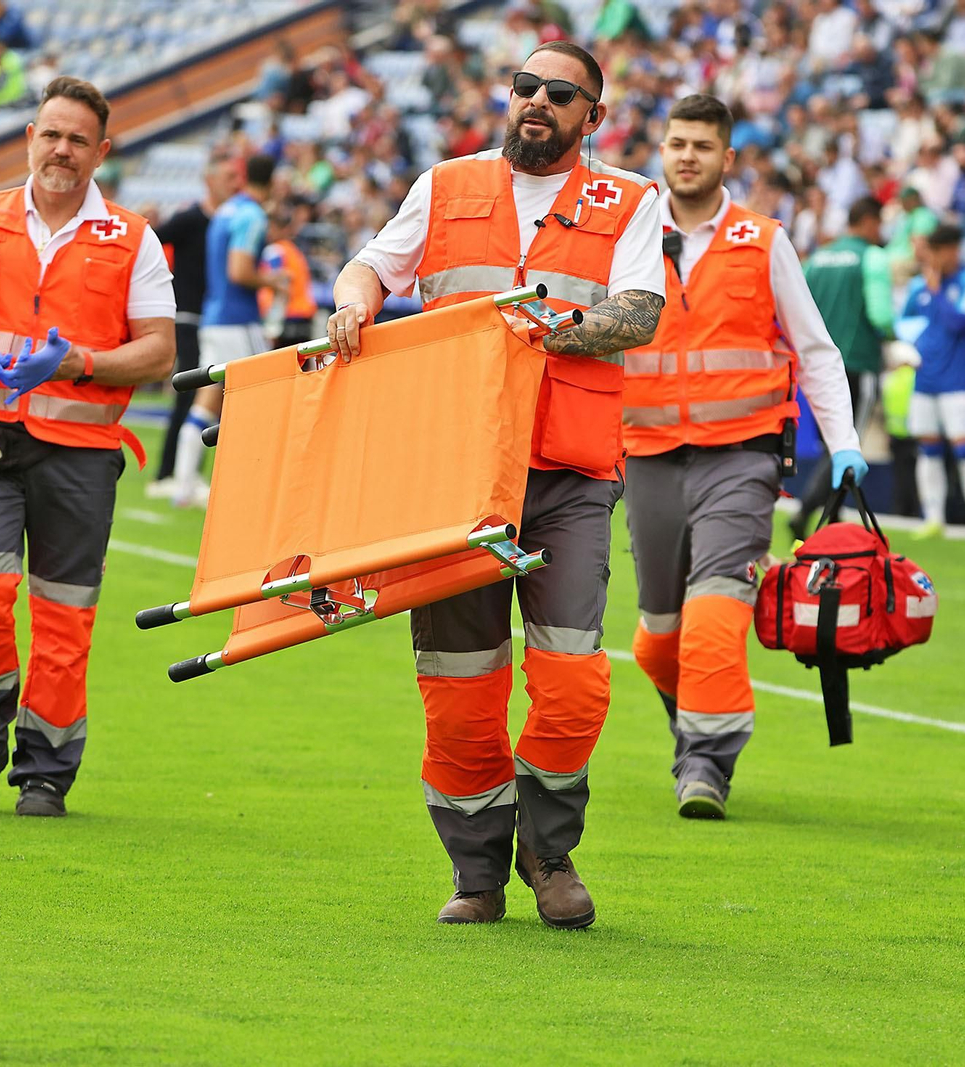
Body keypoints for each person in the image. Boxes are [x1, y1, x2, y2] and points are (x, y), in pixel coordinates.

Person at [328, 41, 663, 928]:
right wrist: (354, 298)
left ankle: (548, 853)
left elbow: (640, 311)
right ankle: (477, 874)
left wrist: (542, 330)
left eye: (560, 93)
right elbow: (372, 263)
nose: (536, 103)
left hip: (568, 476)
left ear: (593, 116)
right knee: (460, 685)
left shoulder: (630, 198)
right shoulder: (443, 186)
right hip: (454, 474)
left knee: (573, 682)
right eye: (524, 87)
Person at [0, 77, 175, 817]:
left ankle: (47, 770)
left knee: (64, 615)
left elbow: (157, 353)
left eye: (78, 139)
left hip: (82, 454)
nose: (62, 149)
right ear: (29, 138)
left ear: (102, 152)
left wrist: (78, 362)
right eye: (51, 134)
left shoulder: (133, 238)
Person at [622, 94, 863, 821]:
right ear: (661, 153)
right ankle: (691, 720)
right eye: (675, 143)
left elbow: (816, 351)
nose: (686, 155)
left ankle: (706, 763)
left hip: (744, 458)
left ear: (728, 159)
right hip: (647, 455)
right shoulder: (626, 241)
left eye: (701, 144)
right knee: (656, 640)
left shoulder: (764, 240)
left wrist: (846, 446)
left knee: (715, 614)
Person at [171, 153, 285, 507]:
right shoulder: (252, 215)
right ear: (271, 181)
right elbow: (239, 270)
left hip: (214, 316)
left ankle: (184, 485)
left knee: (207, 400)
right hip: (239, 319)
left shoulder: (225, 210)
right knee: (261, 400)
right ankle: (248, 486)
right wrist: (274, 282)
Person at [792, 194, 890, 539]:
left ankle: (833, 520)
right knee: (847, 444)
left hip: (817, 367)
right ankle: (805, 511)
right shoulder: (872, 257)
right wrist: (894, 338)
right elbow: (881, 315)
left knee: (828, 445)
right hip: (857, 360)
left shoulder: (819, 258)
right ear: (869, 222)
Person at [898, 223, 965, 541]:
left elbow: (959, 322)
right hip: (925, 379)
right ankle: (933, 517)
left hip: (957, 382)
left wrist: (937, 291)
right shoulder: (917, 286)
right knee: (928, 449)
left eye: (942, 250)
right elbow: (902, 324)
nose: (936, 258)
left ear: (954, 250)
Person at [145, 159, 217, 500]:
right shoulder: (190, 219)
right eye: (228, 176)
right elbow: (153, 240)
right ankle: (167, 473)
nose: (235, 182)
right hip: (188, 315)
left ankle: (183, 472)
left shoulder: (222, 220)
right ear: (210, 180)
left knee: (205, 392)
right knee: (189, 389)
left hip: (209, 317)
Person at [259, 208, 319, 348]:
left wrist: (271, 325)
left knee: (283, 368)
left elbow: (279, 288)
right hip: (304, 315)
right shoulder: (294, 250)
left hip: (286, 318)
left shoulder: (274, 251)